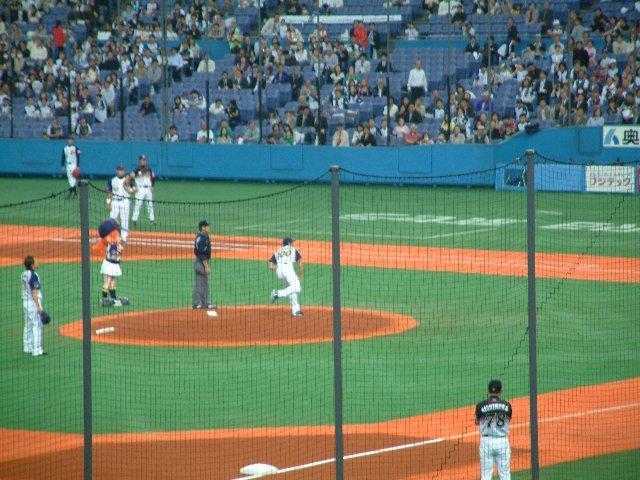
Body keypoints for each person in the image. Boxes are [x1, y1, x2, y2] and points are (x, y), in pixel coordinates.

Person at [476, 379, 512, 480]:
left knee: (486, 475)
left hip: (486, 442)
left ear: (488, 391)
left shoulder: (480, 406)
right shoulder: (507, 405)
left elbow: (477, 421)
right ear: (501, 391)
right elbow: (508, 418)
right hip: (502, 441)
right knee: (505, 475)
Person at [269, 237, 303, 317]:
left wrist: (279, 269)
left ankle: (296, 311)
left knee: (291, 289)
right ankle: (277, 293)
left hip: (279, 272)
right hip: (288, 270)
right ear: (289, 243)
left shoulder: (278, 251)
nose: (293, 244)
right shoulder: (293, 249)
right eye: (292, 242)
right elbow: (300, 264)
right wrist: (300, 276)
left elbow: (271, 266)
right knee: (297, 287)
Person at [22, 255, 46, 356]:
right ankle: (37, 350)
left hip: (26, 303)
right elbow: (34, 292)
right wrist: (38, 307)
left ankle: (27, 347)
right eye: (35, 261)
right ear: (32, 265)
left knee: (28, 325)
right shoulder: (34, 275)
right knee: (37, 325)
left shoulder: (24, 274)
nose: (37, 262)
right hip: (32, 303)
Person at [98, 228, 126, 307]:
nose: (120, 239)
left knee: (113, 282)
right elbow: (113, 257)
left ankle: (113, 299)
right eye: (118, 237)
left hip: (113, 265)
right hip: (109, 265)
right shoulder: (113, 246)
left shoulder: (116, 245)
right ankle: (104, 299)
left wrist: (119, 249)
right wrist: (119, 252)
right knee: (107, 282)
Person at [107, 165, 135, 243]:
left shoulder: (128, 180)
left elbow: (134, 191)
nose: (121, 172)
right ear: (116, 171)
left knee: (124, 220)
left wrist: (129, 188)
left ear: (124, 171)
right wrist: (108, 203)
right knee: (112, 219)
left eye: (122, 170)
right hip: (115, 201)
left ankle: (124, 237)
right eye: (119, 170)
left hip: (125, 201)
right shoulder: (112, 180)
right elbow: (109, 192)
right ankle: (112, 236)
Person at [193, 220, 215, 310]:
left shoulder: (205, 236)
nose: (209, 227)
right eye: (207, 226)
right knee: (200, 284)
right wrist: (206, 266)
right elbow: (201, 254)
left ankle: (206, 303)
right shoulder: (200, 238)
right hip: (200, 263)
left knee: (204, 283)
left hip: (203, 262)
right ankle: (197, 303)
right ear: (203, 228)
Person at [130, 154, 156, 225]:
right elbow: (130, 179)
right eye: (142, 160)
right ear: (139, 161)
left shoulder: (149, 170)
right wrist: (134, 187)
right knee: (138, 204)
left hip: (148, 189)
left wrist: (152, 185)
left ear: (146, 161)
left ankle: (152, 220)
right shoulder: (136, 170)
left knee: (150, 204)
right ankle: (134, 219)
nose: (143, 161)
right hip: (140, 189)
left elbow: (153, 177)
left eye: (144, 160)